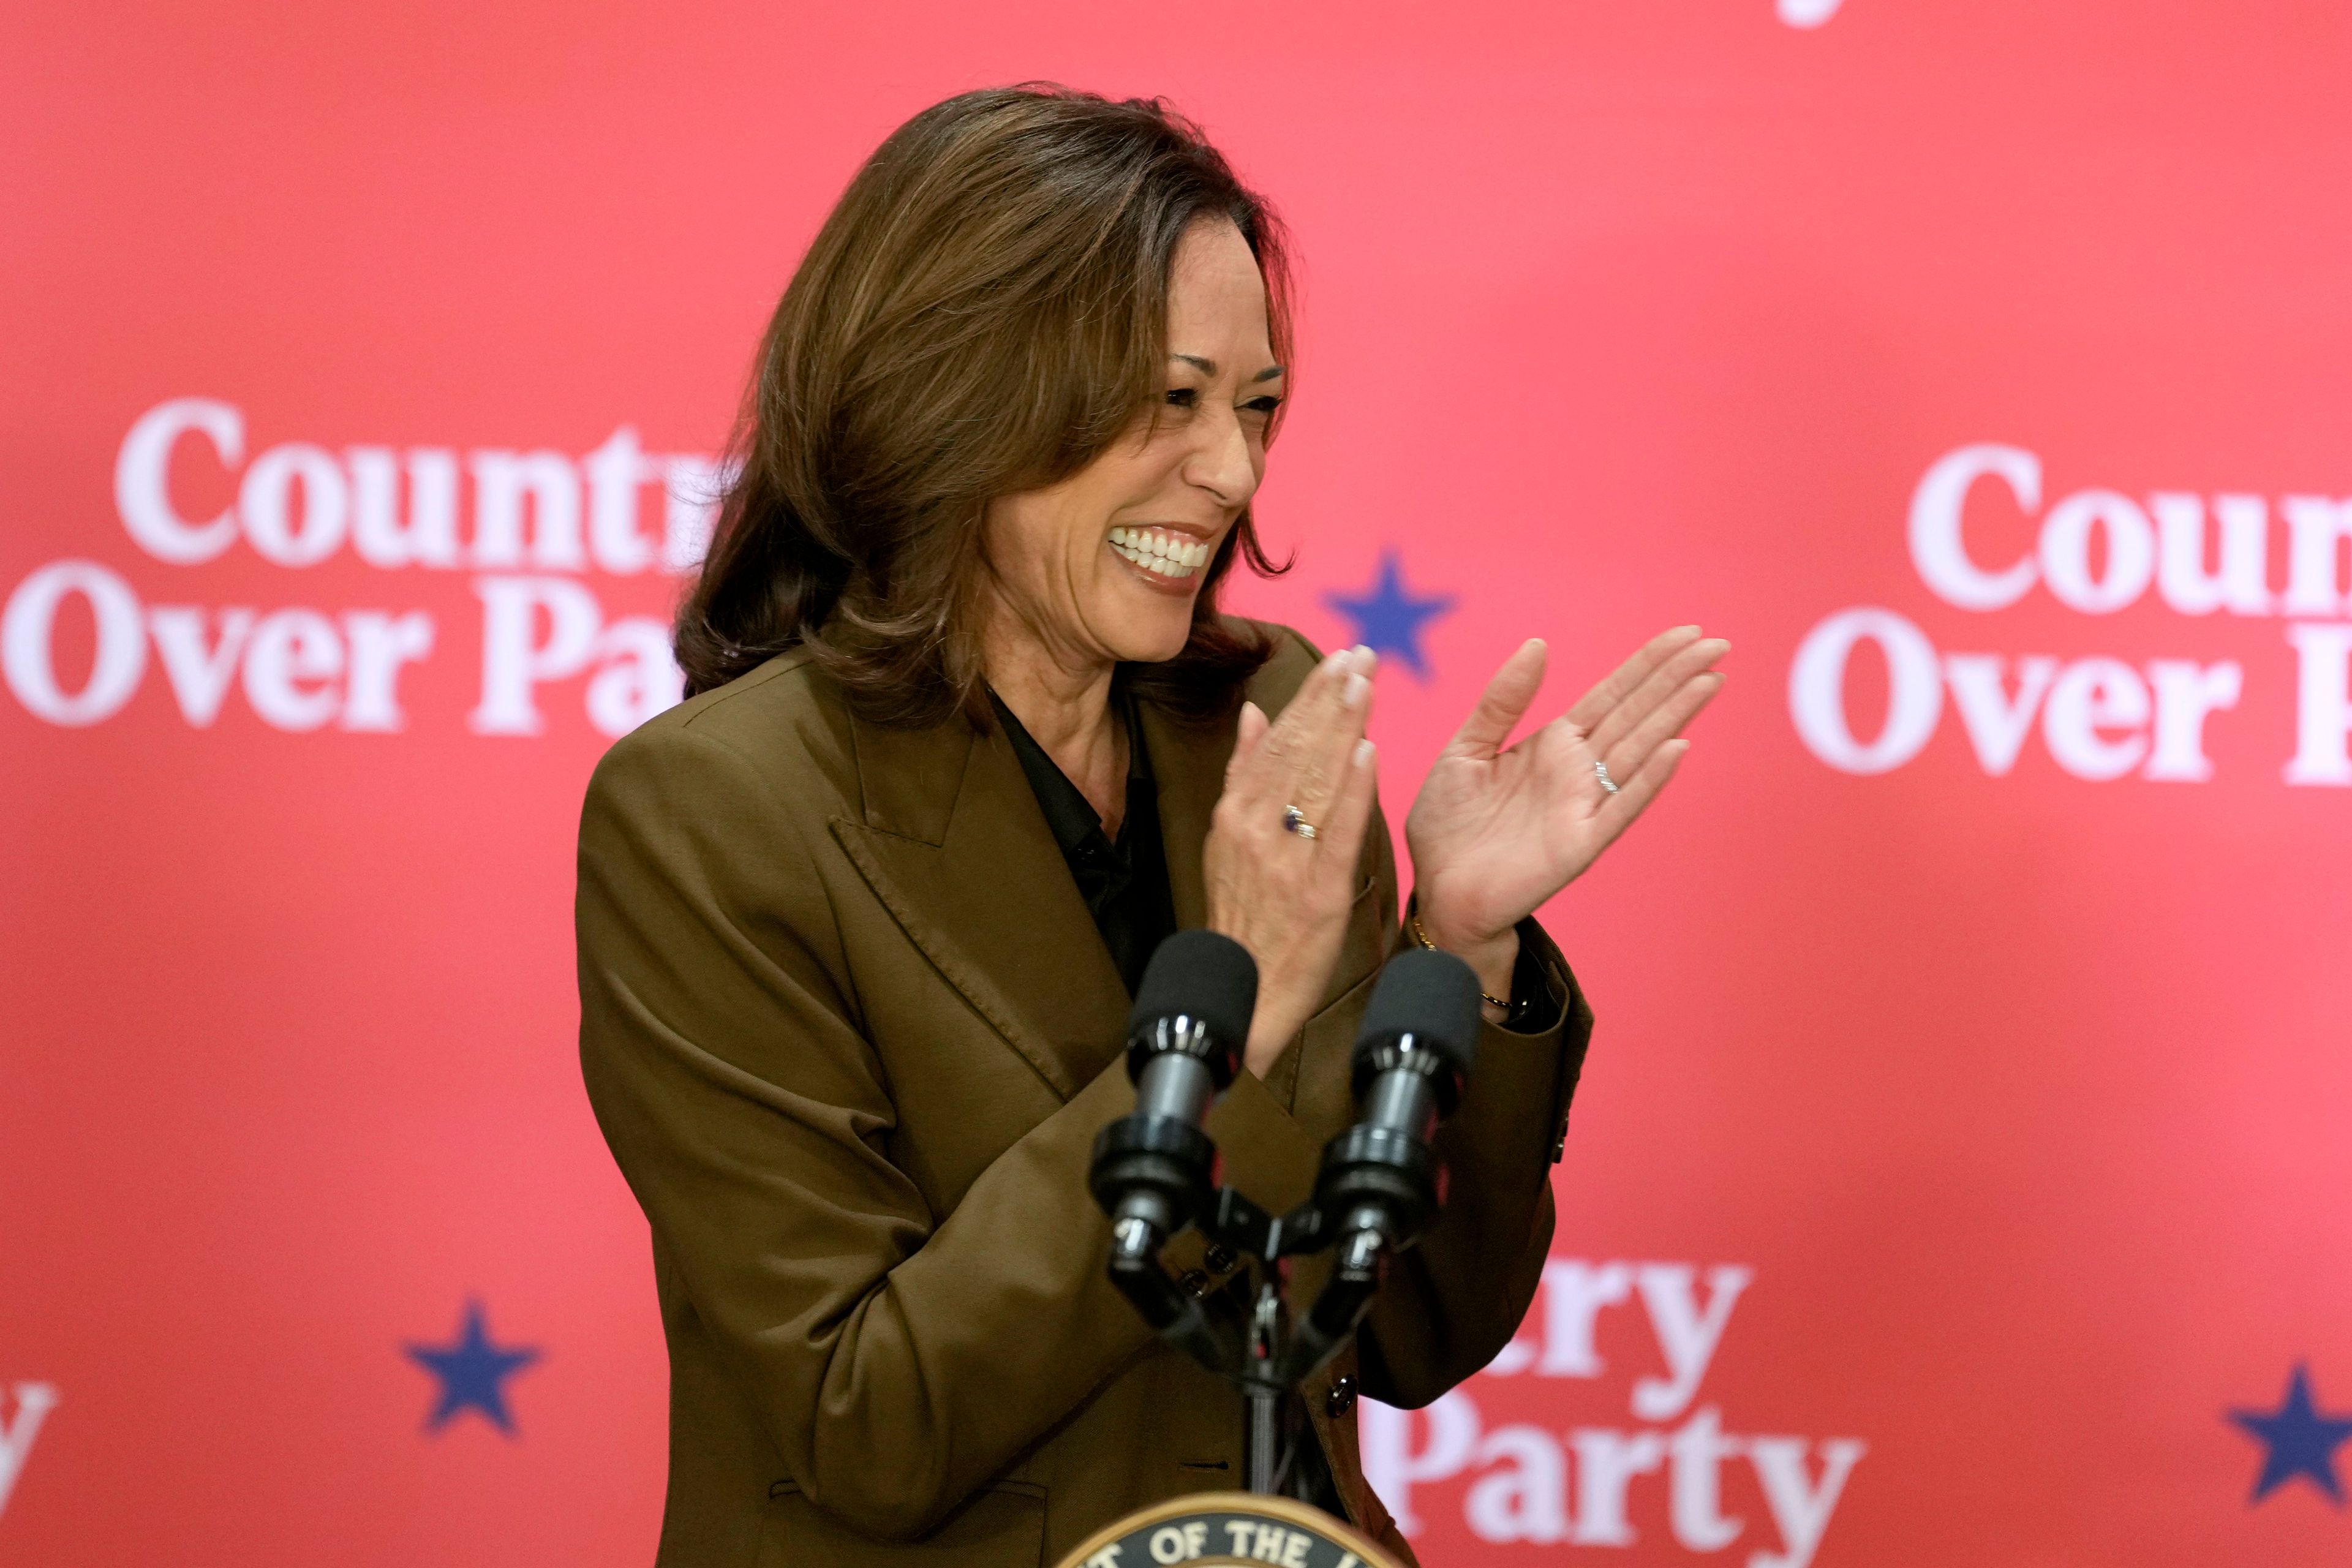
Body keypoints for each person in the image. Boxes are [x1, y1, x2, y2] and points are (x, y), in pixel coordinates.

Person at [576, 84, 1726, 1568]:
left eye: (1255, 408)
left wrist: (1462, 942)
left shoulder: (1266, 723)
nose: (1236, 473)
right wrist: (1218, 1044)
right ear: (962, 386)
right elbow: (863, 1420)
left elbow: (1416, 1326)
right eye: (1171, 400)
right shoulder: (715, 810)